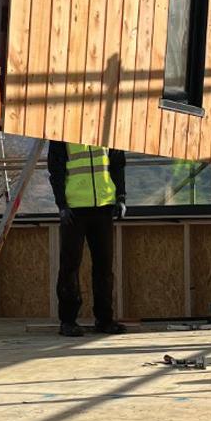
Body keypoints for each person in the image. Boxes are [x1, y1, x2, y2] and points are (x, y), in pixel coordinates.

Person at [48, 142, 127, 336]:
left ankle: (104, 319)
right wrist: (62, 204)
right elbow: (55, 169)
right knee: (70, 266)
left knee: (104, 267)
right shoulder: (62, 134)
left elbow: (117, 164)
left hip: (104, 206)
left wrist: (121, 197)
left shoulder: (108, 131)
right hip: (74, 208)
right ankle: (68, 321)